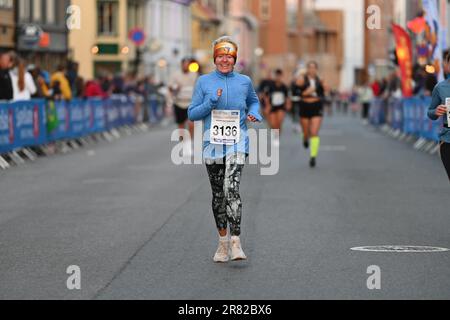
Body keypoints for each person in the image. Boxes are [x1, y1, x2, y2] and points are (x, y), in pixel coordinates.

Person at [188, 36, 262, 263]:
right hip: (212, 145)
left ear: (235, 59)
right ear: (215, 58)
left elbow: (254, 101)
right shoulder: (203, 82)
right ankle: (222, 244)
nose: (225, 60)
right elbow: (192, 114)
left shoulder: (244, 81)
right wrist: (209, 102)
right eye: (221, 56)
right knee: (218, 195)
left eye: (229, 57)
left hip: (238, 141)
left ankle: (236, 243)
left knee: (232, 188)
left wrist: (254, 113)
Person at [297, 61, 327, 168]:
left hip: (316, 106)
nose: (312, 69)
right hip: (304, 105)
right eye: (310, 67)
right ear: (307, 69)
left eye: (314, 67)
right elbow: (299, 92)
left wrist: (323, 84)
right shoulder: (302, 79)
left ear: (316, 69)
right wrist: (308, 91)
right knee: (306, 132)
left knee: (314, 132)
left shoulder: (320, 80)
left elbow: (325, 91)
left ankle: (313, 156)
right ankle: (305, 139)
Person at [428, 52, 450, 181]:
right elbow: (430, 112)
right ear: (447, 65)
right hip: (447, 141)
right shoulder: (440, 87)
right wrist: (436, 111)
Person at [169, 58, 199, 149]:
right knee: (181, 126)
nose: (186, 66)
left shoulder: (194, 75)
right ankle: (182, 144)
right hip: (179, 102)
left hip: (191, 103)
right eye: (184, 64)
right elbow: (170, 87)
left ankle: (189, 143)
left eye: (187, 64)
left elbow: (199, 87)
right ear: (181, 65)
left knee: (191, 124)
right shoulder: (175, 75)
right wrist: (175, 88)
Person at [267, 69, 290, 147]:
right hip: (272, 106)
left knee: (279, 122)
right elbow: (266, 96)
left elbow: (287, 97)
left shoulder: (284, 87)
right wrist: (267, 105)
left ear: (281, 76)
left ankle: (277, 138)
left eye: (279, 76)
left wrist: (288, 104)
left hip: (281, 107)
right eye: (277, 76)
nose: (278, 77)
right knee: (273, 124)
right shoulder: (271, 85)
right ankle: (275, 135)